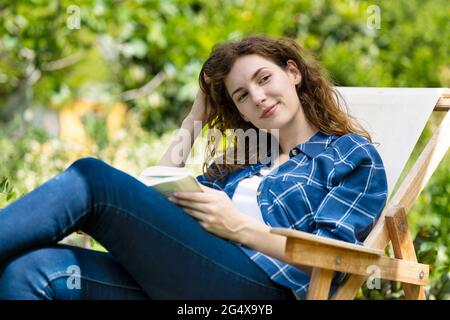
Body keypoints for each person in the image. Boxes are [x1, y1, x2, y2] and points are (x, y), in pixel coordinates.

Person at [0, 35, 388, 300]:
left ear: (293, 72)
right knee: (32, 271)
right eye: (242, 95)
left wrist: (240, 227)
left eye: (264, 78)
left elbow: (335, 257)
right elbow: (157, 193)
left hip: (259, 292)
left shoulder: (350, 156)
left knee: (92, 179)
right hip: (194, 276)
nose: (258, 97)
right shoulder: (248, 159)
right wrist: (193, 119)